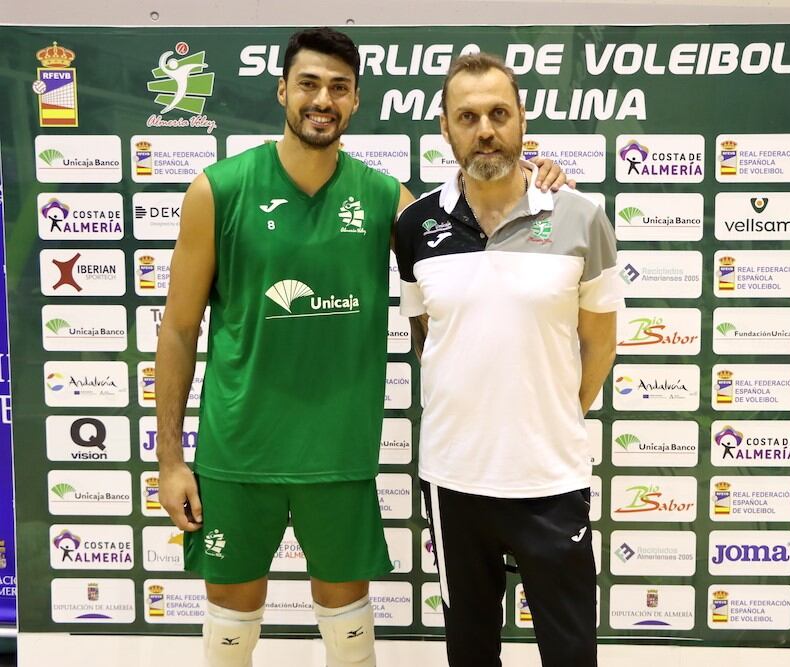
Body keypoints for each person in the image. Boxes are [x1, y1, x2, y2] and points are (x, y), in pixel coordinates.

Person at [155, 29, 567, 667]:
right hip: (237, 453)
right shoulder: (219, 189)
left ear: (354, 101)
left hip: (340, 455)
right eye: (309, 84)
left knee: (348, 632)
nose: (323, 100)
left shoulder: (385, 199)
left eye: (338, 88)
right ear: (283, 91)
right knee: (231, 627)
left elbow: (471, 240)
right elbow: (179, 330)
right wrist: (170, 460)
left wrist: (535, 180)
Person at [395, 53, 620, 667]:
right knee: (470, 651)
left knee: (570, 653)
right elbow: (426, 334)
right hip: (453, 480)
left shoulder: (581, 216)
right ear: (445, 128)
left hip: (550, 479)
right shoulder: (415, 225)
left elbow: (600, 342)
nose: (485, 130)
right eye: (468, 117)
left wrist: (555, 415)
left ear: (522, 119)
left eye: (499, 113)